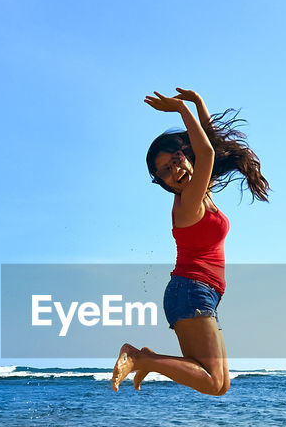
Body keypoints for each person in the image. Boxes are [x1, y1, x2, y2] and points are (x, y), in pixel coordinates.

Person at [111, 87, 270, 396]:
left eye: (176, 160)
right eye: (165, 172)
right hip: (190, 292)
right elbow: (207, 153)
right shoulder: (189, 201)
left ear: (186, 154)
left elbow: (207, 147)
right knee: (212, 382)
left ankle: (146, 358)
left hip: (202, 294)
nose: (174, 172)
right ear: (161, 182)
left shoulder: (200, 188)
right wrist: (182, 110)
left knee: (221, 384)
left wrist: (198, 103)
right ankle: (141, 357)